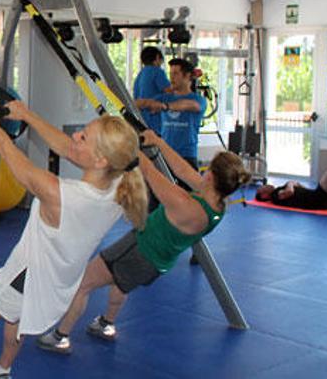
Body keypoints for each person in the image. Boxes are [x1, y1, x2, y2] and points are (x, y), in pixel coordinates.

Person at [0, 100, 147, 379]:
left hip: (22, 283)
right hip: (54, 284)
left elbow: (5, 149)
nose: (75, 136)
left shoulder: (59, 193)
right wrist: (26, 115)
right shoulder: (119, 188)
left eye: (83, 137)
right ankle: (2, 370)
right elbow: (65, 146)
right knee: (17, 316)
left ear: (100, 160)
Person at [37, 130, 250, 355]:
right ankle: (106, 323)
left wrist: (130, 145)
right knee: (121, 282)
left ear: (211, 177)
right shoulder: (217, 203)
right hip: (158, 263)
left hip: (138, 249)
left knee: (83, 284)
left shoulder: (185, 204)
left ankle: (60, 337)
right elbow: (181, 170)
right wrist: (157, 142)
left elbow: (148, 171)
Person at [135, 58, 207, 174]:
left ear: (187, 76)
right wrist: (143, 103)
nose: (171, 78)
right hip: (165, 155)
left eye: (175, 74)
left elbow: (190, 106)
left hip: (186, 156)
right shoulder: (165, 97)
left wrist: (165, 106)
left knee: (189, 192)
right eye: (170, 74)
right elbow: (142, 103)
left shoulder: (198, 99)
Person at [255, 166, 327, 210]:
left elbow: (297, 184)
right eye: (263, 187)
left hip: (317, 197)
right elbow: (289, 192)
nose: (266, 185)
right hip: (317, 200)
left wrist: (291, 183)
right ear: (264, 196)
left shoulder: (279, 190)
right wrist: (290, 183)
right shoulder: (275, 195)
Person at [133, 46, 171, 134]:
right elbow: (170, 92)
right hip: (154, 119)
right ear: (157, 57)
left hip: (141, 120)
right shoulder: (157, 72)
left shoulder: (140, 74)